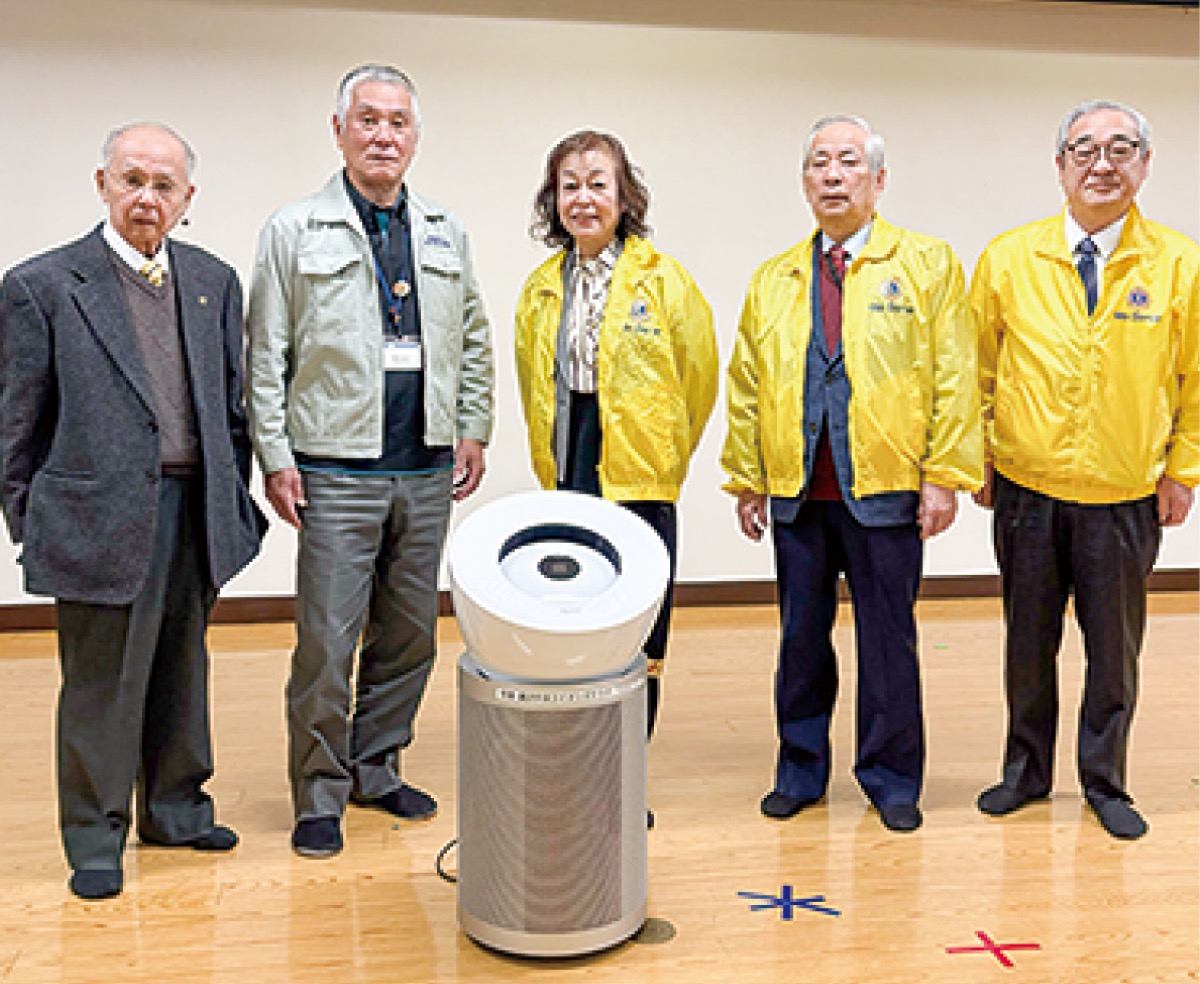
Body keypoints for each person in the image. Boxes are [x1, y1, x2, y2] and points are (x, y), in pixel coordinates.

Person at [0, 123, 264, 899]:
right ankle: (94, 835)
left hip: (194, 509)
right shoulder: (41, 286)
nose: (147, 197)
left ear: (188, 199)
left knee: (183, 670)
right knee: (101, 685)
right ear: (102, 183)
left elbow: (231, 408)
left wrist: (232, 497)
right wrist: (37, 521)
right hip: (96, 516)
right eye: (132, 179)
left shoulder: (213, 280)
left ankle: (177, 810)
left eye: (164, 185)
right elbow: (13, 427)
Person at [247, 64, 494, 858]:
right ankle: (318, 792)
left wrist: (473, 427)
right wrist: (276, 455)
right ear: (340, 129)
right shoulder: (293, 231)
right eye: (368, 120)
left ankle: (376, 768)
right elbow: (266, 353)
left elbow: (476, 338)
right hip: (334, 471)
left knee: (410, 635)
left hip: (424, 469)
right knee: (326, 641)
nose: (383, 135)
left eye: (397, 123)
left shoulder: (445, 231)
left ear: (414, 137)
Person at [721, 115, 982, 833]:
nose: (832, 176)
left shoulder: (926, 264)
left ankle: (892, 778)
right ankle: (800, 770)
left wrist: (944, 475)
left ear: (878, 179)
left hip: (887, 487)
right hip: (799, 488)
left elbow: (956, 375)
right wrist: (748, 478)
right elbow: (747, 380)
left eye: (848, 163)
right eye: (818, 164)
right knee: (800, 638)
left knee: (887, 640)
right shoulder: (774, 278)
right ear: (805, 181)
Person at [971, 100, 1198, 840]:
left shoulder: (1180, 264)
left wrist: (1183, 470)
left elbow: (1197, 379)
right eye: (1084, 149)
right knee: (1027, 642)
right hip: (1027, 490)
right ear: (1060, 164)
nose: (1102, 163)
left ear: (1144, 164)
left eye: (1120, 148)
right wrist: (976, 457)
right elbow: (972, 370)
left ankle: (1105, 782)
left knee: (1113, 650)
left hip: (1125, 491)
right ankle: (1025, 773)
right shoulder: (1008, 257)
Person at [513, 130, 718, 746]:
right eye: (569, 186)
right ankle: (575, 754)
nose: (583, 198)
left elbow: (699, 377)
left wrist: (664, 455)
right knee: (575, 611)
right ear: (554, 200)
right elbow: (532, 382)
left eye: (598, 184)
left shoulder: (665, 280)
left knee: (638, 623)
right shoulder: (542, 286)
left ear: (624, 197)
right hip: (571, 462)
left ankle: (628, 762)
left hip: (641, 474)